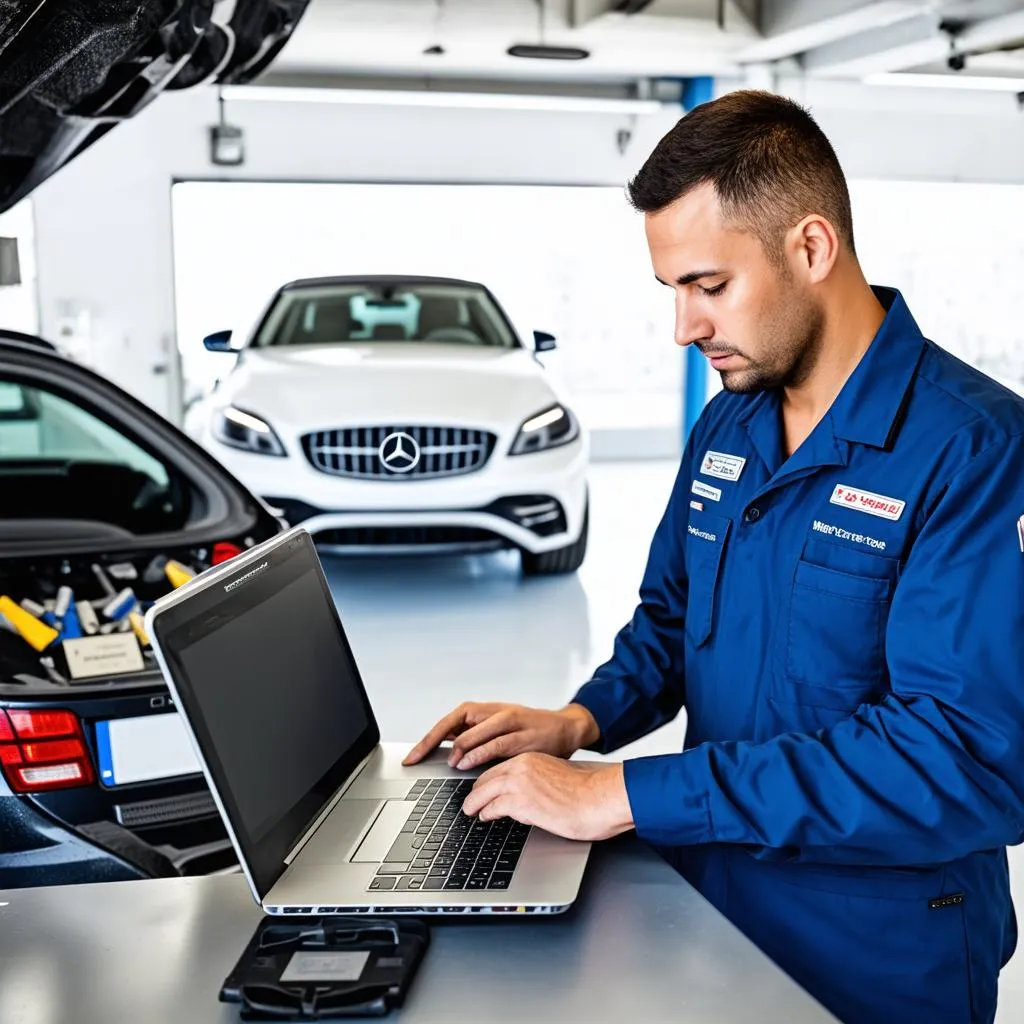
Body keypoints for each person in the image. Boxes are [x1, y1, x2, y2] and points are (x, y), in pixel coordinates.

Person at [404, 90, 1024, 1024]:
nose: (684, 328)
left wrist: (625, 793)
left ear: (811, 249)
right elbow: (669, 619)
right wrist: (579, 721)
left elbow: (965, 759)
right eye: (674, 292)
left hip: (875, 946)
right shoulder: (731, 422)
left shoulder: (972, 449)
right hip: (706, 905)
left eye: (709, 286)